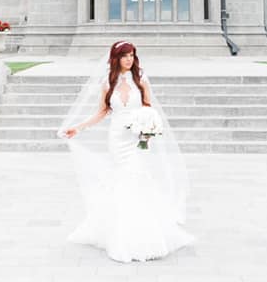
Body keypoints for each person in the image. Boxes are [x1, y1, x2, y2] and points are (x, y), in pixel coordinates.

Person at [59, 40, 194, 263]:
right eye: (125, 56)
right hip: (116, 138)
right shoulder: (107, 82)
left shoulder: (140, 78)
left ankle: (145, 233)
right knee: (124, 180)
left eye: (131, 55)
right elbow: (102, 112)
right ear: (116, 58)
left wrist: (148, 128)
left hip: (137, 137)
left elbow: (148, 107)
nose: (129, 59)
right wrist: (78, 127)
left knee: (138, 177)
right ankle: (122, 234)